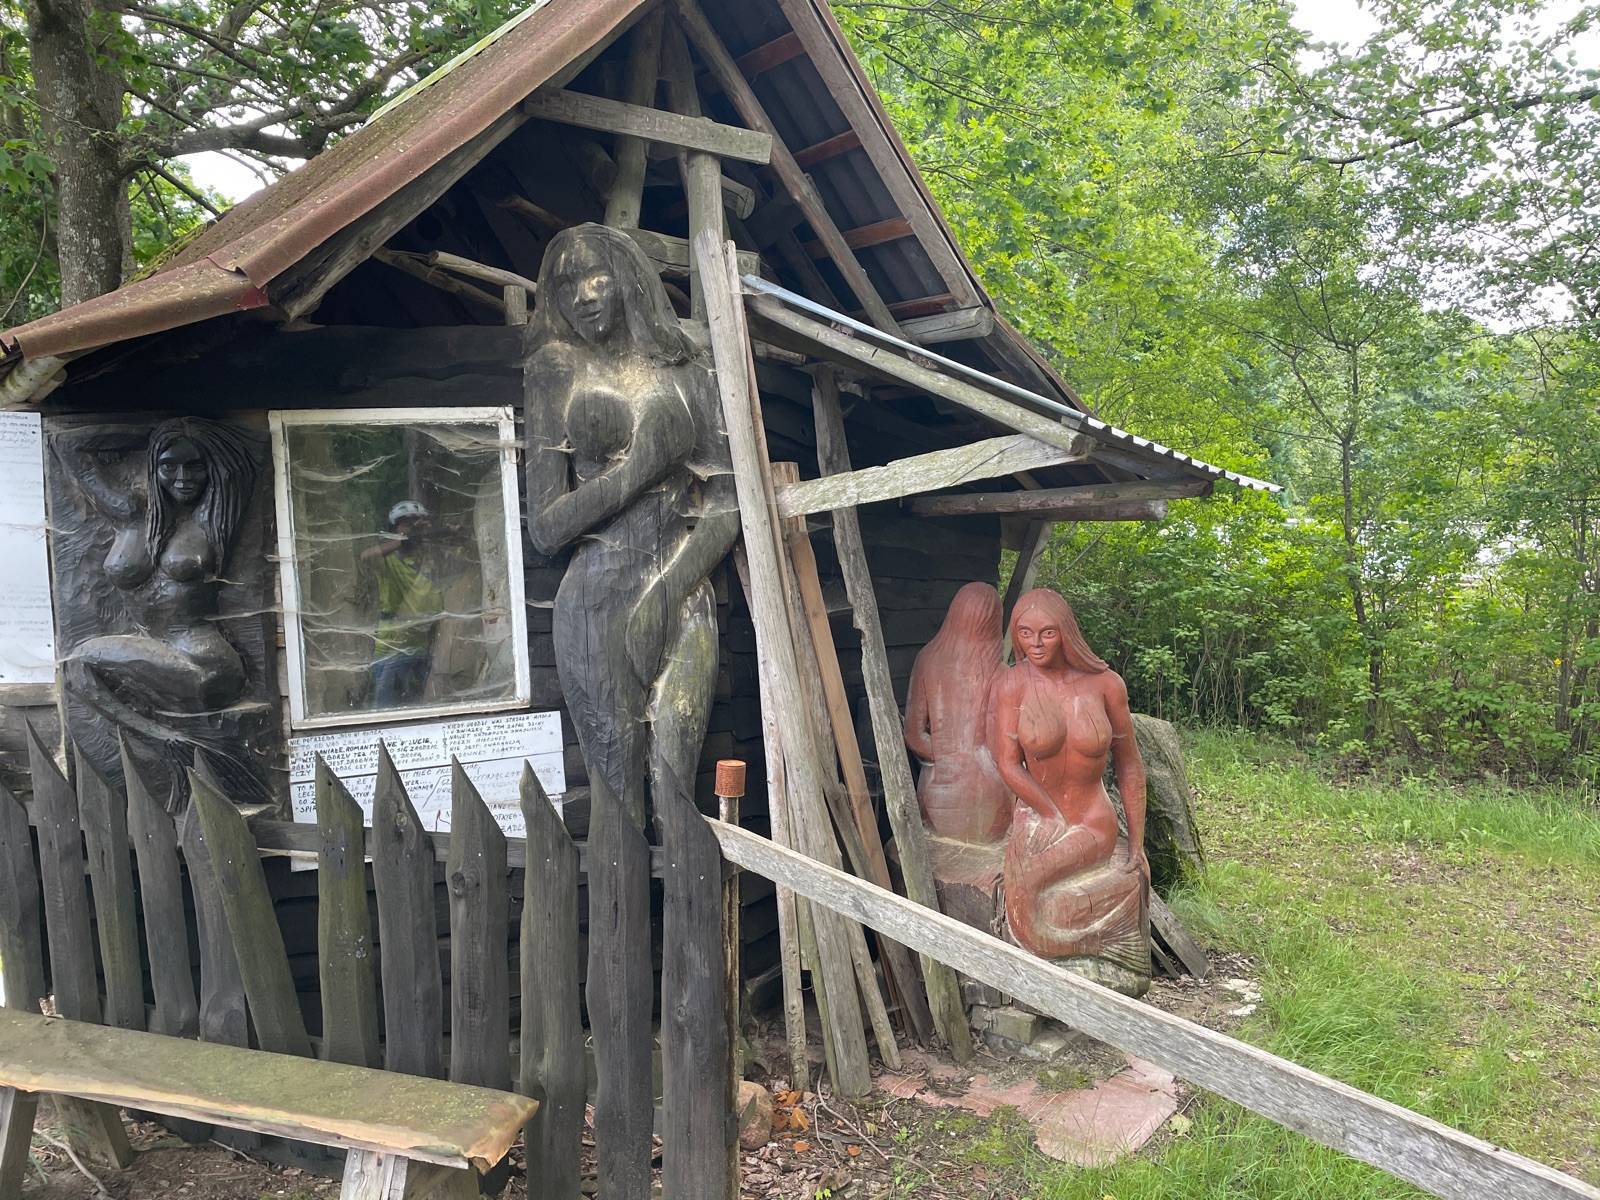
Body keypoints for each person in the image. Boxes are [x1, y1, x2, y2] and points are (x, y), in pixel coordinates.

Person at [991, 587, 1151, 985]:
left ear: (1065, 633)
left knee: (1031, 894)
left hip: (1091, 821)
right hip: (1037, 815)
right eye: (1025, 633)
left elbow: (1130, 764)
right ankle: (1099, 944)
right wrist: (1047, 813)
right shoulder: (1012, 684)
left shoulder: (1106, 685)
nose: (1035, 643)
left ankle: (1104, 957)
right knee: (1023, 909)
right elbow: (1007, 763)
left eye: (1047, 633)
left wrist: (1137, 843)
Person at [903, 581, 1012, 843]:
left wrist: (946, 757)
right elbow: (1003, 748)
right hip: (989, 798)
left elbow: (913, 736)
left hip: (937, 792)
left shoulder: (927, 659)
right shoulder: (1002, 673)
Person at [363, 499, 444, 708]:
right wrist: (402, 541)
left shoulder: (430, 558)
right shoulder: (389, 560)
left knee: (426, 707)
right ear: (394, 529)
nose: (413, 529)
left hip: (424, 644)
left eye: (417, 524)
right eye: (407, 524)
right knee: (385, 708)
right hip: (392, 645)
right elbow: (366, 557)